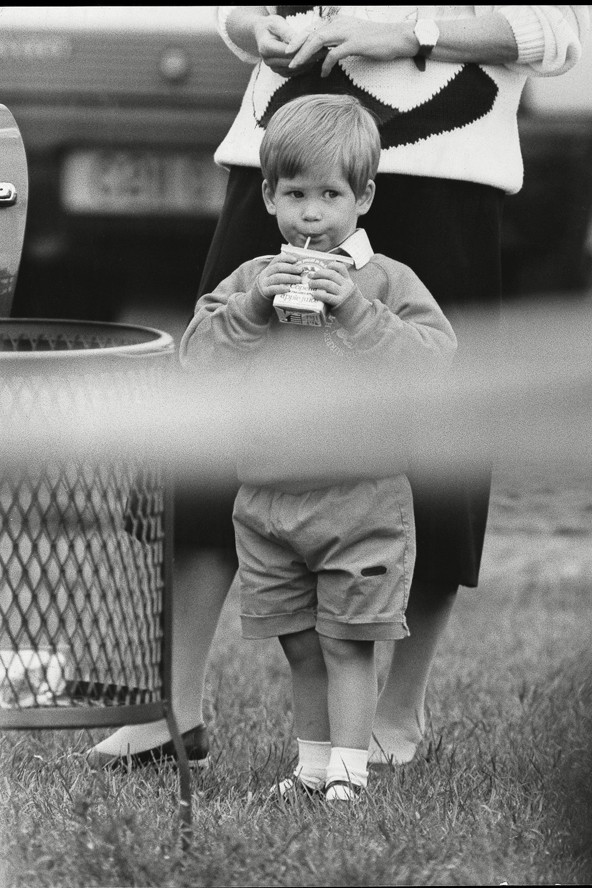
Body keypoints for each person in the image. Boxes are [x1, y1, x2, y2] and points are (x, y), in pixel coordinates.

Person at [89, 5, 589, 770]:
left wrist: (412, 35)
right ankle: (171, 707)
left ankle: (397, 713)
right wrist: (265, 35)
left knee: (434, 428)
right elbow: (238, 16)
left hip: (443, 178)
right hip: (285, 154)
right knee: (212, 407)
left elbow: (557, 34)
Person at [180, 93, 457, 800]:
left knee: (347, 641)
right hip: (268, 499)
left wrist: (356, 309)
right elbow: (197, 358)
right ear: (268, 195)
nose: (311, 214)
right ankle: (310, 770)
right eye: (295, 194)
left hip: (360, 496)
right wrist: (250, 307)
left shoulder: (387, 282)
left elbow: (435, 359)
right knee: (300, 642)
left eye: (330, 195)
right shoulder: (250, 280)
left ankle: (351, 775)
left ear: (362, 198)